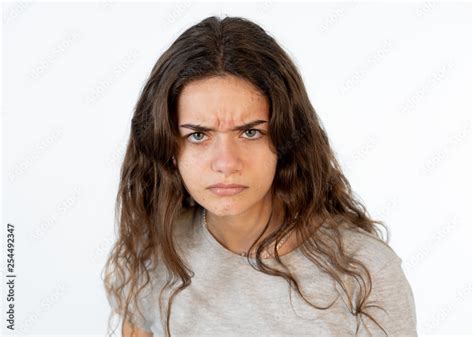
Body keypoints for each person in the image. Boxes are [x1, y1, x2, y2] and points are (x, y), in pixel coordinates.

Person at [102, 15, 417, 337]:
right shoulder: (155, 250)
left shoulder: (364, 271)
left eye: (250, 132)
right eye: (198, 135)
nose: (226, 163)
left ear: (286, 138)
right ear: (166, 144)